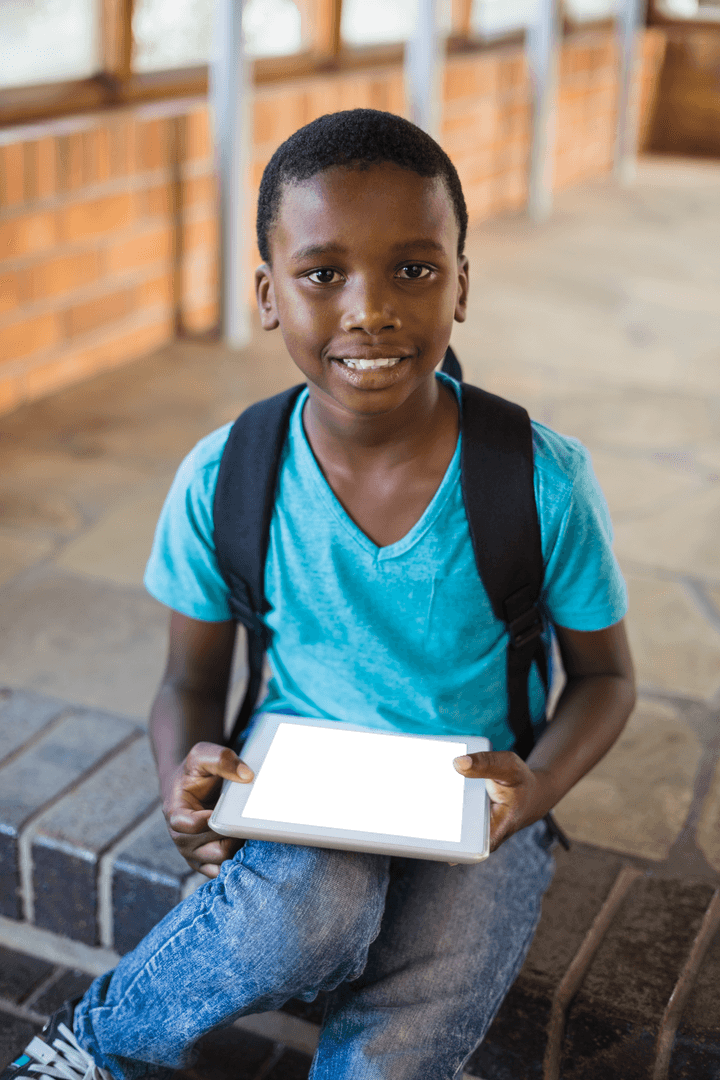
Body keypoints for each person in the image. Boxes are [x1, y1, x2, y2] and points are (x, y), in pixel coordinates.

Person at [4, 109, 634, 1080]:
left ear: (462, 284)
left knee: (410, 1026)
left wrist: (536, 790)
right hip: (301, 784)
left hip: (480, 796)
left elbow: (603, 679)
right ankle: (95, 1045)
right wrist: (185, 779)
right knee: (309, 909)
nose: (368, 309)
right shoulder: (229, 478)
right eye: (322, 272)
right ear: (267, 293)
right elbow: (187, 680)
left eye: (414, 269)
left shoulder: (539, 480)